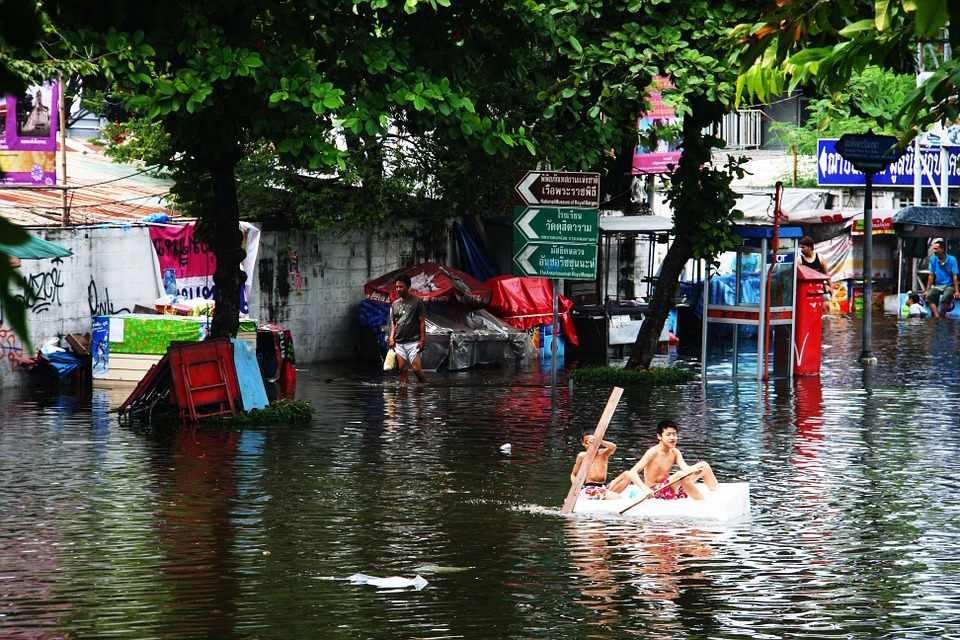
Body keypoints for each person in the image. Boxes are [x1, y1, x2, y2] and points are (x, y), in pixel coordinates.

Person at [608, 419, 718, 500]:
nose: (672, 438)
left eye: (674, 434)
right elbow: (632, 472)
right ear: (659, 437)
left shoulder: (675, 452)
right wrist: (646, 490)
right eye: (668, 435)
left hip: (669, 487)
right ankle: (702, 503)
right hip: (656, 491)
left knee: (704, 465)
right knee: (679, 475)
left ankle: (716, 493)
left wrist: (696, 470)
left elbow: (685, 469)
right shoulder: (653, 452)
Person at [570, 428, 643, 500]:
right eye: (587, 442)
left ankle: (609, 495)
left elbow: (613, 447)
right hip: (591, 489)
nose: (590, 445)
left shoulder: (603, 453)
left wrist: (599, 440)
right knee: (617, 497)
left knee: (627, 474)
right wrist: (576, 488)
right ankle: (611, 497)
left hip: (603, 487)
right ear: (582, 443)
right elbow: (573, 474)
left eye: (592, 442)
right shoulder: (582, 456)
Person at [388, 274, 427, 383]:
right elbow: (394, 323)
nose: (398, 289)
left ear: (408, 287)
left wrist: (423, 340)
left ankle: (424, 388)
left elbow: (422, 322)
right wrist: (392, 338)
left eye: (401, 287)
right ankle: (403, 396)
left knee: (416, 369)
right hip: (399, 342)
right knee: (402, 369)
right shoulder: (395, 304)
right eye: (397, 287)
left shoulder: (417, 301)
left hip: (414, 341)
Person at [922, 239, 960, 318]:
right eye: (934, 249)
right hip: (938, 285)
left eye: (936, 249)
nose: (934, 251)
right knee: (929, 297)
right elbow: (931, 275)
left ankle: (942, 316)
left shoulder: (952, 259)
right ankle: (937, 317)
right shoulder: (933, 259)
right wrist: (927, 290)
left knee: (945, 298)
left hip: (949, 285)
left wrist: (957, 291)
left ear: (942, 249)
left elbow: (954, 276)